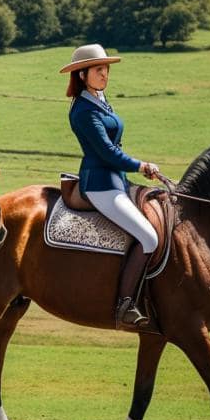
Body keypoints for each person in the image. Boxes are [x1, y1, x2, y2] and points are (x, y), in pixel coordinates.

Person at [60, 43, 161, 328]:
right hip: (101, 184)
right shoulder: (83, 110)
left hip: (118, 180)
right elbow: (106, 152)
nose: (105, 75)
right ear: (82, 75)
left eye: (106, 69)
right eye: (98, 70)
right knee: (149, 238)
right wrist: (141, 165)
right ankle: (125, 304)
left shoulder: (99, 98)